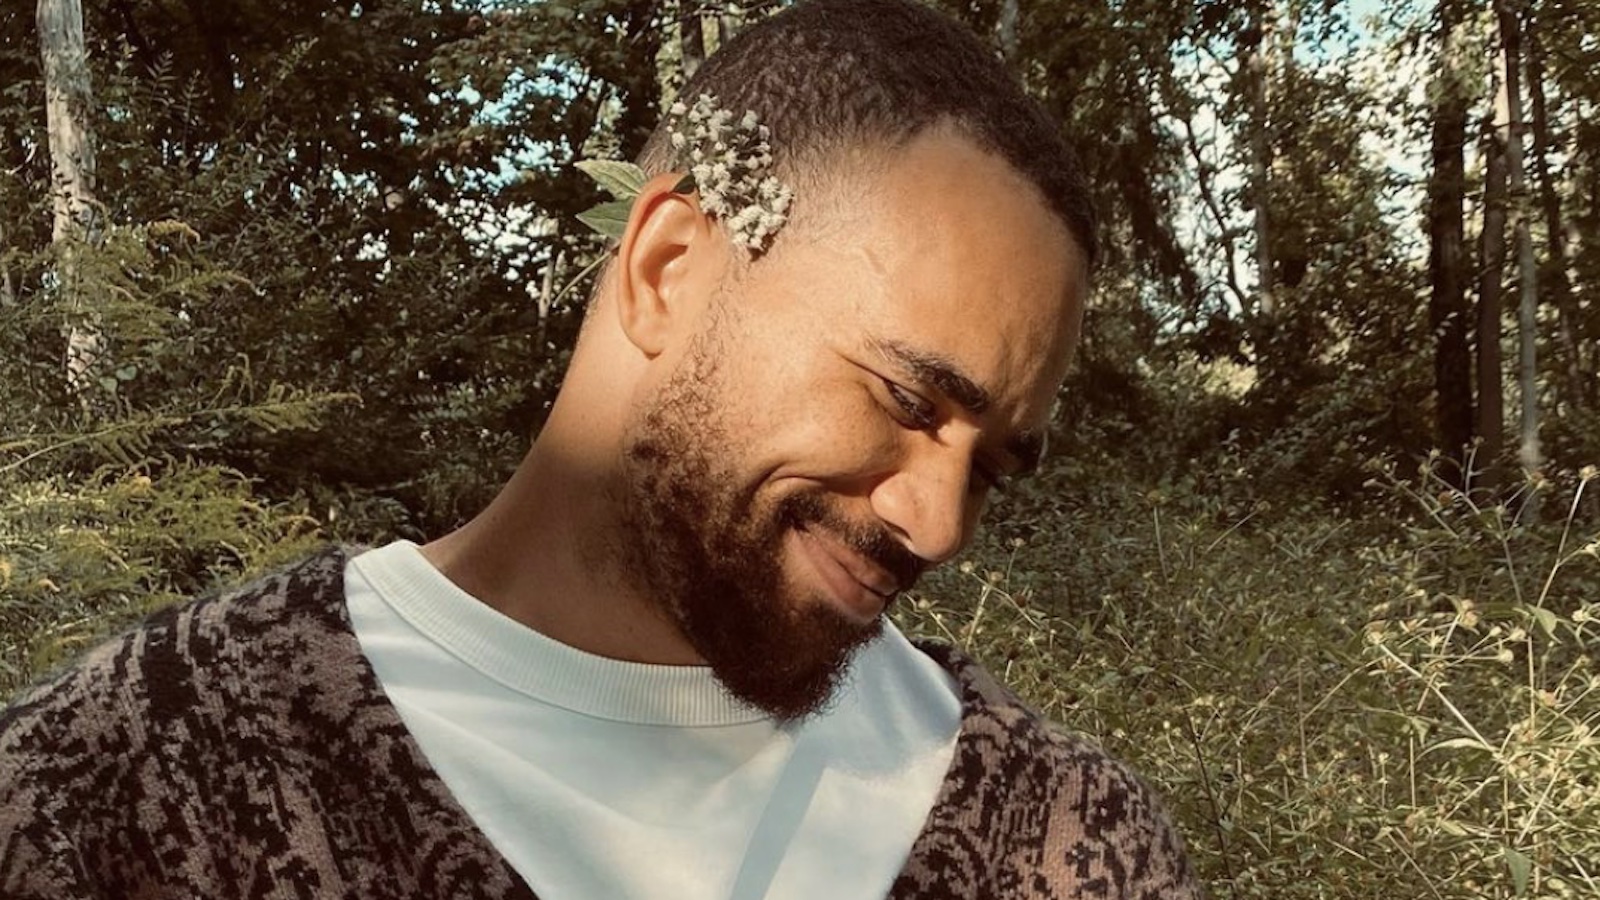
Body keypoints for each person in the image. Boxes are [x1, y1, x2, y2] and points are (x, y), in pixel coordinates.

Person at [0, 0, 1200, 896]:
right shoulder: (136, 786)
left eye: (989, 467)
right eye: (906, 397)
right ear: (669, 268)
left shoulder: (1063, 843)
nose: (938, 524)